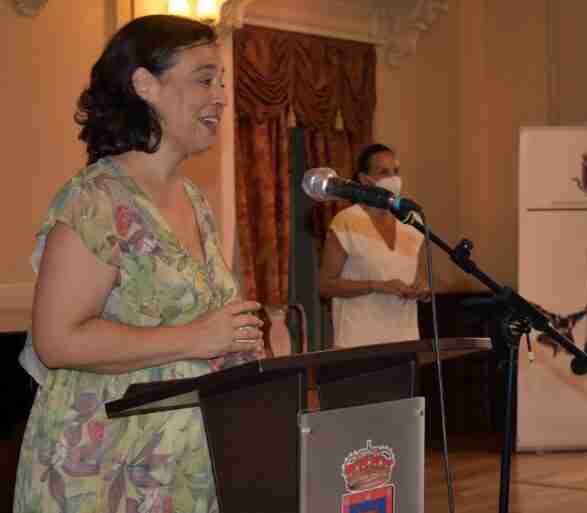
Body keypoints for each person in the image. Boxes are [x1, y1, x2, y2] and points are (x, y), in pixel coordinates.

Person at [14, 15, 263, 513]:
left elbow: (206, 328)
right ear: (145, 84)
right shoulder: (97, 198)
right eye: (204, 79)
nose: (220, 97)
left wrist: (240, 339)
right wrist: (197, 337)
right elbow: (56, 340)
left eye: (220, 82)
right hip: (101, 472)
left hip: (180, 466)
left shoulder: (193, 199)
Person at [318, 144, 430, 348]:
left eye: (395, 171)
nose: (393, 178)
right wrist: (377, 286)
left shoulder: (412, 221)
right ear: (364, 179)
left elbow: (421, 278)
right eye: (383, 172)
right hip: (358, 345)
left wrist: (421, 289)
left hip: (405, 342)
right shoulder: (346, 221)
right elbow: (325, 285)